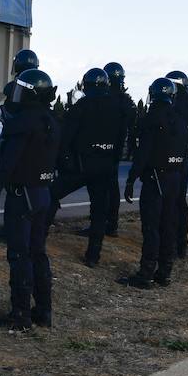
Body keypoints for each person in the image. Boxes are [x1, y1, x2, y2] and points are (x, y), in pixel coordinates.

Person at [0, 68, 60, 329]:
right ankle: (43, 310)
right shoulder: (50, 119)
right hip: (43, 193)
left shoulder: (23, 122)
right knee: (38, 253)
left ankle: (20, 314)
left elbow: (8, 162)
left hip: (22, 195)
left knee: (20, 255)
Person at [50, 68, 125, 267]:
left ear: (87, 85)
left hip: (81, 166)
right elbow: (120, 140)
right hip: (105, 166)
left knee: (51, 195)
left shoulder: (82, 105)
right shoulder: (116, 107)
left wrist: (63, 161)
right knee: (99, 212)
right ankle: (93, 256)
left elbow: (66, 136)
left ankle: (38, 238)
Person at [120, 78, 188, 289]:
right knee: (168, 224)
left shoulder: (152, 118)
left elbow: (144, 152)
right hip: (174, 177)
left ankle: (146, 273)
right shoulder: (179, 119)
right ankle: (164, 272)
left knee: (151, 227)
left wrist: (131, 178)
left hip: (155, 179)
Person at [0, 48, 40, 244]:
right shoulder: (37, 86)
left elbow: (8, 111)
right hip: (36, 145)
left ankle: (11, 230)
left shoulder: (13, 87)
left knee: (13, 184)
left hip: (17, 136)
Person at [165, 70, 188, 259]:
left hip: (170, 161)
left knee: (168, 203)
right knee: (180, 203)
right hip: (183, 160)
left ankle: (171, 243)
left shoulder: (175, 106)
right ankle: (180, 244)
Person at [103, 61, 135, 239]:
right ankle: (111, 223)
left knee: (102, 189)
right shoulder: (125, 100)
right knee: (112, 188)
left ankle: (104, 224)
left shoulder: (109, 99)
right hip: (116, 150)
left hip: (105, 150)